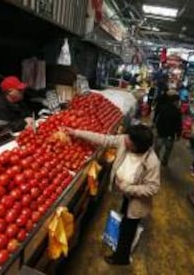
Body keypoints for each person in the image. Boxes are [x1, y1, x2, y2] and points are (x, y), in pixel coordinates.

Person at [66, 125, 160, 265]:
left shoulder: (152, 162)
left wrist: (128, 188)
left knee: (129, 227)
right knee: (124, 217)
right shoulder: (125, 141)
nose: (124, 139)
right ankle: (121, 242)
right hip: (126, 194)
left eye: (129, 140)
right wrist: (76, 132)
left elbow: (153, 188)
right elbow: (104, 139)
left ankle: (121, 257)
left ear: (137, 146)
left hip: (137, 201)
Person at [154, 92, 182, 166]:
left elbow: (158, 119)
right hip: (170, 134)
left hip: (161, 132)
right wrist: (178, 134)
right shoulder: (177, 111)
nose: (179, 103)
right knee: (168, 149)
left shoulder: (163, 107)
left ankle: (155, 160)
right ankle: (164, 161)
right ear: (175, 101)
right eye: (178, 101)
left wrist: (157, 128)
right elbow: (178, 124)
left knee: (157, 148)